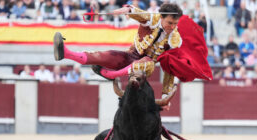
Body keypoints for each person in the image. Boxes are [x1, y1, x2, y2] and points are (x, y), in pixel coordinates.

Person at [53, 3, 212, 105]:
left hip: (143, 69)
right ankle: (66, 53)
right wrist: (126, 9)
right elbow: (136, 12)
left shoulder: (175, 39)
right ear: (161, 17)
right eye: (170, 23)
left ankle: (111, 74)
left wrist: (165, 94)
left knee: (148, 61)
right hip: (130, 56)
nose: (172, 27)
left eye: (175, 24)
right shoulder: (152, 19)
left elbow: (170, 67)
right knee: (104, 56)